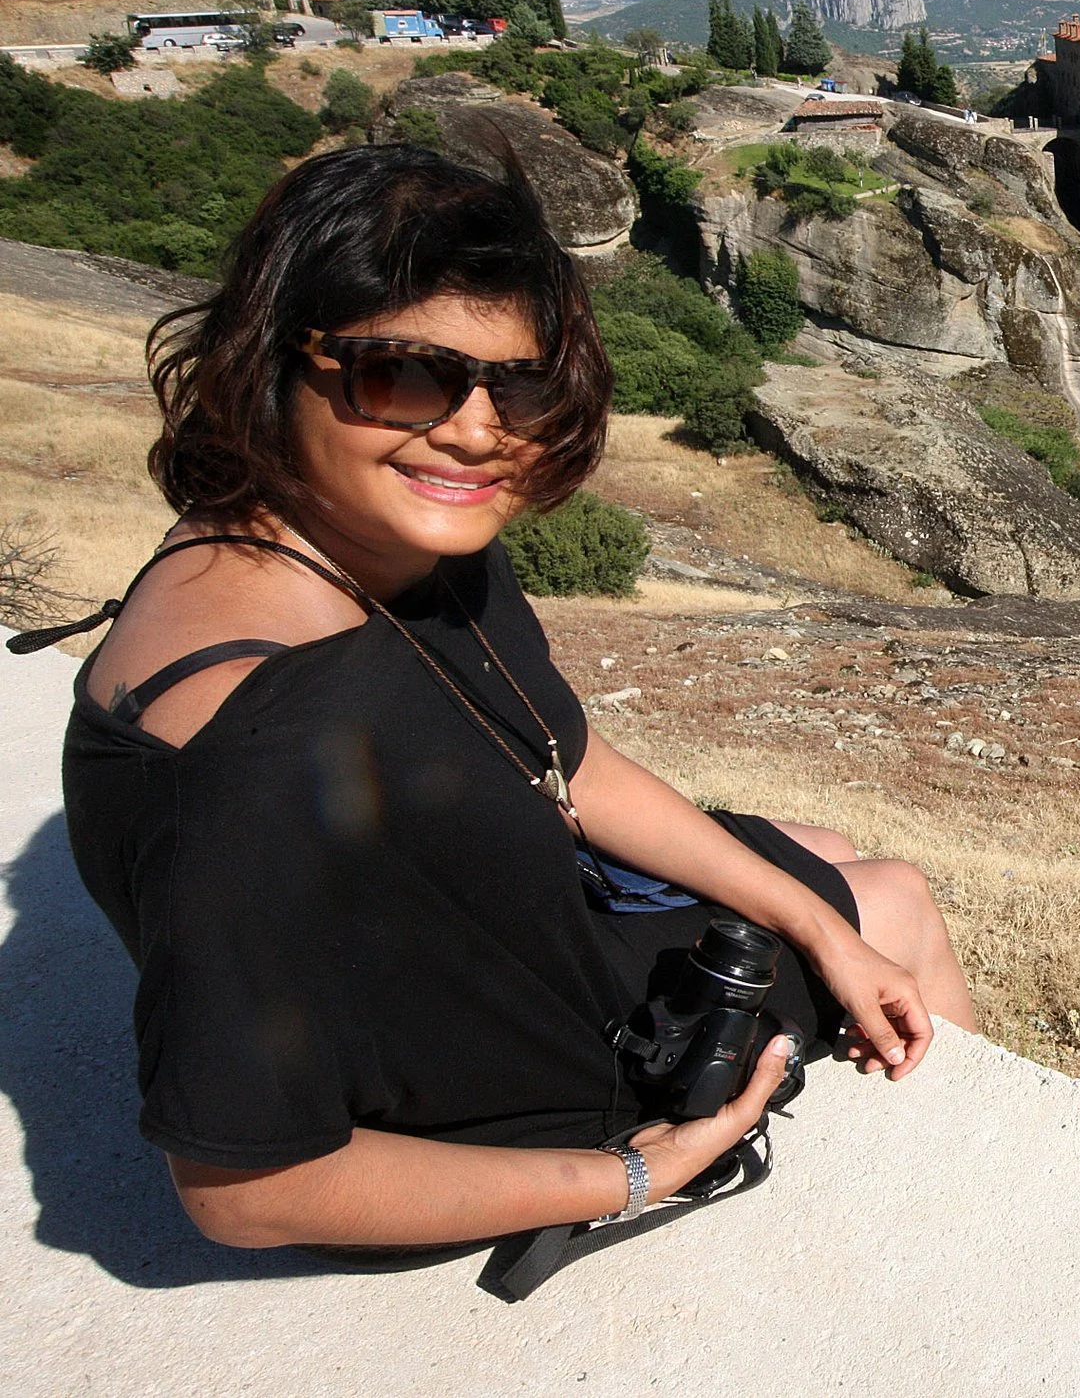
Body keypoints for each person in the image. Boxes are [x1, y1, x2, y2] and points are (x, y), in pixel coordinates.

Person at [49, 143, 977, 1252]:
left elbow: (563, 760)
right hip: (503, 1082)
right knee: (901, 900)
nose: (477, 428)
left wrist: (815, 925)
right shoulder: (255, 756)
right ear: (271, 363)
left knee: (818, 864)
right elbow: (242, 1190)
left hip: (472, 945)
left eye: (521, 382)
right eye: (400, 375)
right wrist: (629, 1173)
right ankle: (969, 1205)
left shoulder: (363, 547)